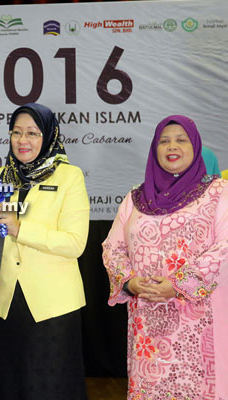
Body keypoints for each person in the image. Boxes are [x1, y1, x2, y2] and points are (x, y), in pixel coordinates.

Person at [103, 115, 228, 399]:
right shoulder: (135, 198)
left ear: (195, 147)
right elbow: (113, 248)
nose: (173, 146)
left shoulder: (219, 193)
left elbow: (226, 247)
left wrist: (178, 284)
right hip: (147, 324)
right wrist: (129, 282)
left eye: (181, 140)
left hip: (198, 322)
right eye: (164, 140)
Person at [0, 103, 90, 399]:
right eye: (16, 132)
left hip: (52, 307)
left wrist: (21, 229)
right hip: (4, 306)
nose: (22, 140)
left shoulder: (70, 177)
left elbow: (75, 243)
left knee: (50, 388)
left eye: (32, 133)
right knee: (8, 387)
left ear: (48, 136)